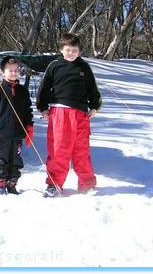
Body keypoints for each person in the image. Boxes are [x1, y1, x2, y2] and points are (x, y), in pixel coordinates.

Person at [36, 33, 102, 197]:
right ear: (61, 50)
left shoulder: (84, 67)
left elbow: (92, 88)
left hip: (80, 114)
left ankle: (86, 184)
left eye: (74, 50)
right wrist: (42, 107)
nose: (71, 53)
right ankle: (54, 184)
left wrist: (94, 106)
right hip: (60, 112)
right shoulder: (54, 66)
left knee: (81, 150)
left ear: (79, 51)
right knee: (59, 150)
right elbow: (44, 88)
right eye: (68, 50)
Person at [0, 56, 34, 196]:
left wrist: (29, 127)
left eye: (15, 70)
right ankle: (0, 184)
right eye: (10, 70)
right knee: (2, 160)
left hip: (17, 133)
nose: (13, 73)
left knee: (15, 160)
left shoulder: (23, 91)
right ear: (3, 73)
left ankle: (12, 184)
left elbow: (28, 111)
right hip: (2, 134)